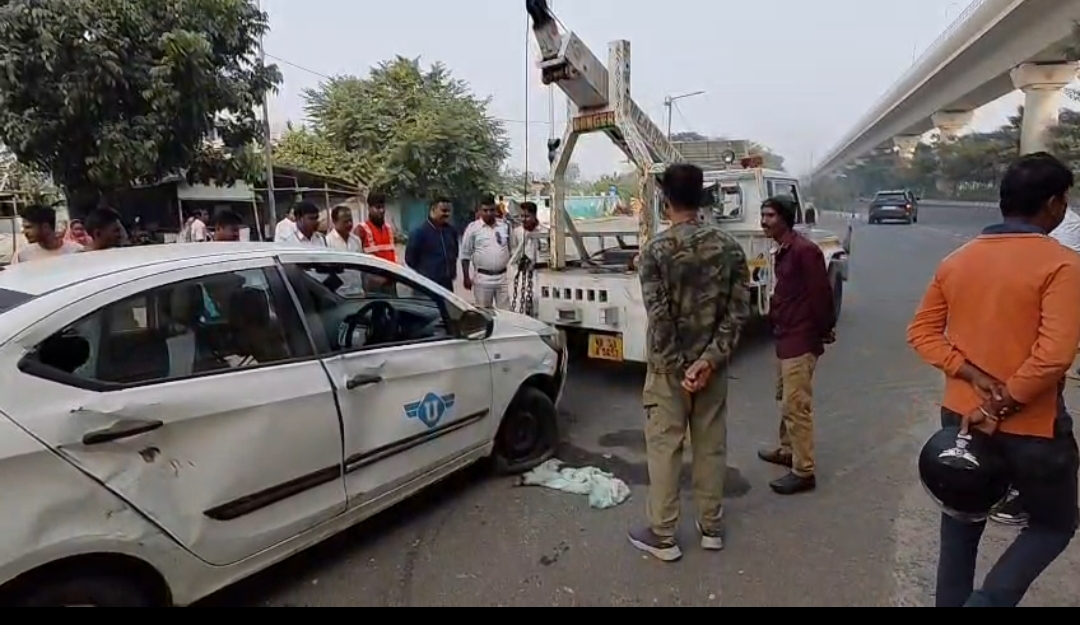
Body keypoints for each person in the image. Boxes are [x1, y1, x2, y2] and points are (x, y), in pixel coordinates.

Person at [906, 151, 1080, 608]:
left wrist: (968, 374)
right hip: (1033, 429)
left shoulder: (957, 261)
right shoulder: (1062, 265)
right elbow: (1053, 357)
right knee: (1052, 525)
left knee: (960, 526)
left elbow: (921, 333)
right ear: (1053, 204)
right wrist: (999, 405)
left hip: (961, 423)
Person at [627, 163, 750, 562]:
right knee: (710, 446)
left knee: (665, 447)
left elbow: (659, 316)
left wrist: (682, 368)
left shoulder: (655, 252)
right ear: (703, 199)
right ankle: (711, 526)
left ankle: (663, 533)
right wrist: (708, 362)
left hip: (668, 371)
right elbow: (737, 313)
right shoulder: (730, 248)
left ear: (665, 201)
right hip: (711, 370)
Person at [994, 203, 1080, 527]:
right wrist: (1006, 398)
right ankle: (1035, 501)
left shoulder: (968, 255)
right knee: (1042, 426)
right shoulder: (1064, 241)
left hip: (1027, 338)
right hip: (1035, 343)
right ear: (1054, 203)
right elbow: (1053, 355)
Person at [756, 195, 836, 496]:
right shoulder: (785, 250)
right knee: (785, 398)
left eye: (770, 215)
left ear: (785, 218)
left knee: (795, 404)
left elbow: (821, 295)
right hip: (785, 336)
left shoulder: (805, 251)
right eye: (763, 215)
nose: (764, 221)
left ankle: (804, 470)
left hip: (801, 339)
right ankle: (788, 449)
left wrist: (824, 329)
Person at [461, 194, 516, 309]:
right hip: (482, 279)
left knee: (506, 313)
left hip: (503, 278)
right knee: (483, 313)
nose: (489, 213)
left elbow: (512, 249)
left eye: (491, 210)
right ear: (480, 211)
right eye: (485, 210)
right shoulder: (473, 228)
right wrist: (466, 277)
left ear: (495, 210)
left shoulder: (505, 226)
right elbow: (465, 254)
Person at [405, 198, 458, 291]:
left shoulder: (451, 231)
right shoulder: (419, 233)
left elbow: (455, 252)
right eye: (444, 211)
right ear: (433, 210)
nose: (447, 214)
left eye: (449, 211)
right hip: (427, 285)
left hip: (447, 285)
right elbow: (410, 259)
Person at [13, 205, 83, 263]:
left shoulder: (76, 251)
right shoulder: (22, 255)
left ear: (45, 227)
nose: (25, 232)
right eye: (24, 227)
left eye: (29, 227)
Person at [355, 192, 398, 262]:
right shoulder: (360, 230)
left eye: (383, 207)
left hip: (390, 271)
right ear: (369, 208)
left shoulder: (389, 229)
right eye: (378, 207)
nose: (381, 210)